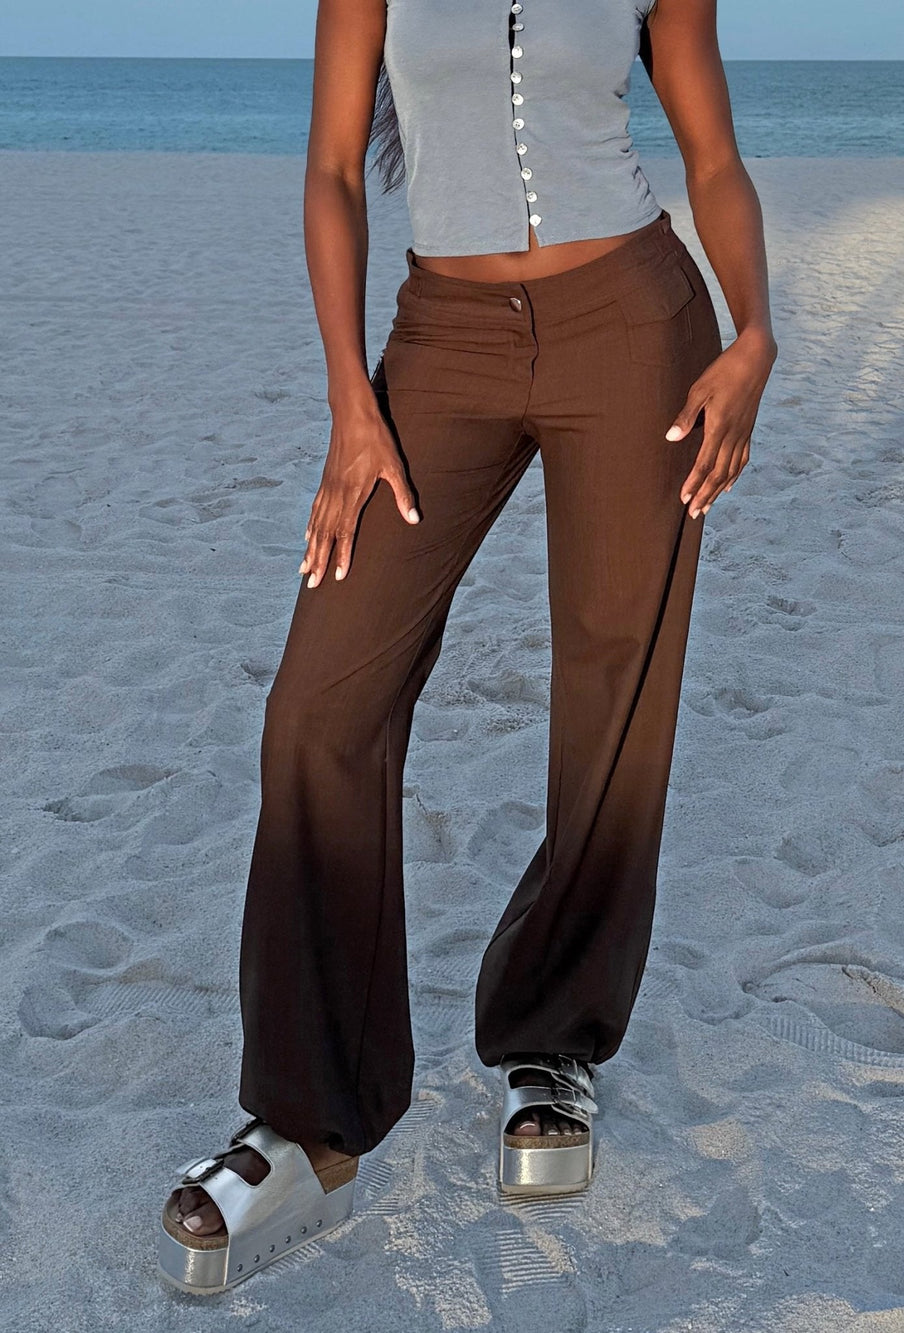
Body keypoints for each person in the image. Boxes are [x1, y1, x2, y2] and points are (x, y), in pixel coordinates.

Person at [157, 0, 777, 1295]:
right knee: (320, 705)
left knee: (616, 689)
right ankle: (310, 1124)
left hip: (633, 324)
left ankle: (553, 1040)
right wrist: (349, 400)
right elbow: (333, 169)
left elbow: (711, 155)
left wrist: (752, 330)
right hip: (440, 344)